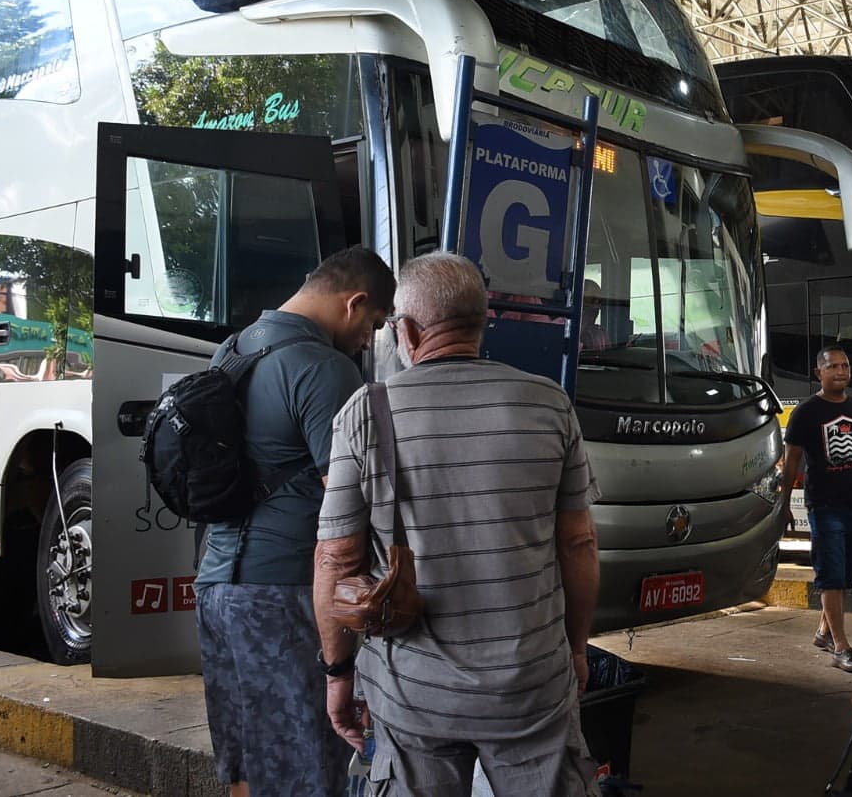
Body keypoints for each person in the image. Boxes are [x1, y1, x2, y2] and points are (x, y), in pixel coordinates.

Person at [314, 252, 601, 797]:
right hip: (532, 684)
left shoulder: (364, 411)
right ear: (481, 321)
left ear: (410, 330)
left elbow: (334, 558)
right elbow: (579, 543)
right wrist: (577, 648)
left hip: (414, 692)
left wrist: (337, 675)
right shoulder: (549, 404)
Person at [195, 246, 396, 797]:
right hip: (283, 594)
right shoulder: (327, 369)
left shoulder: (232, 351)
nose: (367, 341)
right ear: (354, 304)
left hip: (217, 587)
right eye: (373, 325)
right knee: (306, 768)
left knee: (244, 764)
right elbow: (349, 509)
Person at [782, 344, 852, 674]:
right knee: (831, 575)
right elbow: (791, 462)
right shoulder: (806, 413)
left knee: (844, 575)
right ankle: (840, 647)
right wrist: (784, 501)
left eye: (845, 366)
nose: (841, 371)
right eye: (833, 367)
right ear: (819, 373)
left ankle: (823, 632)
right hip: (824, 504)